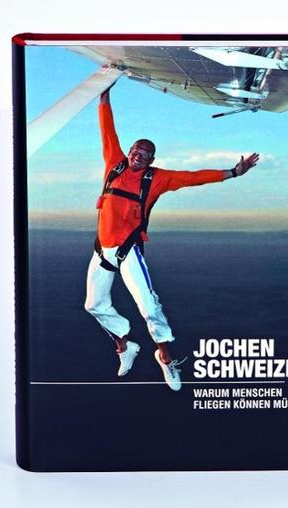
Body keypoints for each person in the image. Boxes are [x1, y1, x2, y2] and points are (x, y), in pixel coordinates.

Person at [85, 82, 259, 391]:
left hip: (128, 251)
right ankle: (125, 346)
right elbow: (107, 130)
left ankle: (165, 357)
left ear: (151, 160)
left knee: (149, 307)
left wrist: (232, 172)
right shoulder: (114, 164)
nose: (139, 156)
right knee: (94, 304)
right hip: (102, 250)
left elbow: (193, 178)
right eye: (136, 151)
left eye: (146, 155)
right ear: (129, 151)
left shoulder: (157, 179)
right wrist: (103, 95)